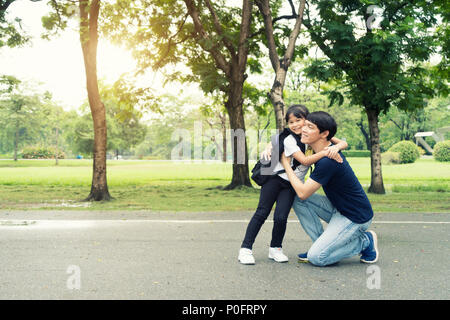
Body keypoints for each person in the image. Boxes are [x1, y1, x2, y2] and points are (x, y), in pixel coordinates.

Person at [238, 105, 348, 265]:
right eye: (291, 122)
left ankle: (275, 248)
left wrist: (336, 147)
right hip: (275, 179)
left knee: (281, 217)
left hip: (292, 184)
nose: (295, 124)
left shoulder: (312, 136)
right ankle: (245, 249)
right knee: (262, 213)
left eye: (299, 120)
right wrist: (325, 152)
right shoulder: (289, 139)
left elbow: (343, 143)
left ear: (307, 120)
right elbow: (304, 160)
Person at [280, 111, 379, 267]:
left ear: (324, 134)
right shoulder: (324, 148)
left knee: (317, 258)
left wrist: (286, 164)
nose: (303, 129)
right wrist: (340, 144)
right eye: (304, 125)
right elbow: (337, 139)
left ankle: (365, 242)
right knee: (297, 199)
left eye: (309, 127)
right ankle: (323, 245)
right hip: (338, 209)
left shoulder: (328, 161)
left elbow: (303, 192)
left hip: (355, 218)